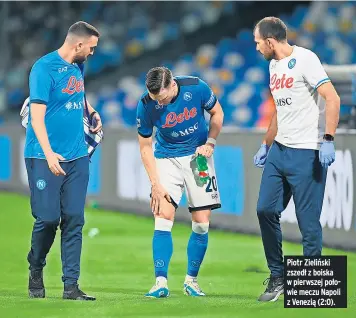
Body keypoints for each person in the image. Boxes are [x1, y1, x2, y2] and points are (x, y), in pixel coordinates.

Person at [253, 17, 340, 302]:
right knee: (265, 209)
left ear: (269, 41)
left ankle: (312, 289)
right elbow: (279, 110)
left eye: (257, 43)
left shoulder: (306, 59)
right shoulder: (273, 66)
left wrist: (327, 140)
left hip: (308, 151)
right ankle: (278, 277)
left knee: (308, 223)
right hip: (280, 149)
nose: (256, 48)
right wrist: (266, 144)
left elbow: (333, 98)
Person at [25, 21, 102, 301]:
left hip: (77, 156)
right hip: (43, 155)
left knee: (74, 219)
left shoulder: (77, 66)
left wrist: (91, 111)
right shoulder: (43, 69)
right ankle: (36, 266)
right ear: (78, 44)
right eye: (91, 47)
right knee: (47, 219)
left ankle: (71, 286)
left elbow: (76, 94)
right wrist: (48, 154)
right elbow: (36, 117)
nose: (93, 53)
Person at [136, 67, 224, 298]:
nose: (160, 103)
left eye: (163, 98)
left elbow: (217, 113)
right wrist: (155, 183)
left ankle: (191, 281)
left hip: (199, 159)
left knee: (202, 223)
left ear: (173, 85)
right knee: (163, 218)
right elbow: (145, 145)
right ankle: (160, 282)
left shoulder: (197, 87)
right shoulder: (146, 103)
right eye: (156, 99)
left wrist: (211, 142)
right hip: (166, 158)